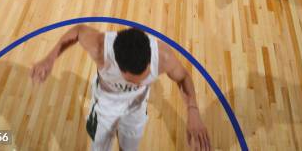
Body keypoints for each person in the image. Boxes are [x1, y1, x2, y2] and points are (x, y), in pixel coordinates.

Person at [32, 25, 211, 150]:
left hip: (136, 108)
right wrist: (50, 58)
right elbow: (78, 32)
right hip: (105, 106)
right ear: (118, 65)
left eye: (143, 78)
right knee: (100, 148)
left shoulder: (163, 57)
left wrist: (192, 110)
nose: (138, 84)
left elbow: (183, 77)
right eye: (133, 81)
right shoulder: (100, 48)